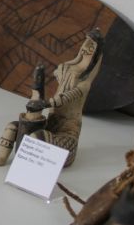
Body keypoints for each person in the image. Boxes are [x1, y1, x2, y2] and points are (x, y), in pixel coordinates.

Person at [31, 28, 104, 167]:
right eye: (85, 44)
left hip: (68, 130)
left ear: (96, 56)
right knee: (20, 127)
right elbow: (58, 72)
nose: (85, 49)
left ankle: (43, 153)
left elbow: (65, 98)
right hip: (51, 121)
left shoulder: (84, 84)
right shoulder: (67, 69)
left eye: (91, 47)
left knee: (41, 138)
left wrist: (46, 103)